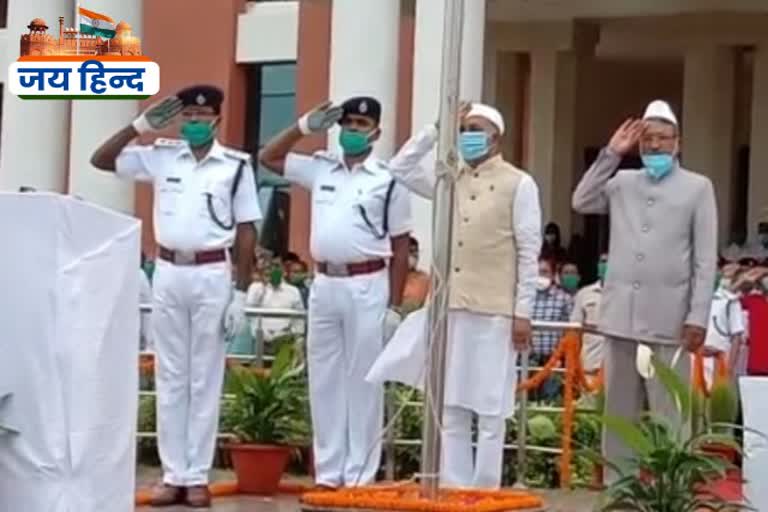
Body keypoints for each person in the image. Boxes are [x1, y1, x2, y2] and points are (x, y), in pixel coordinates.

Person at [91, 85, 261, 507]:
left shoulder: (235, 166)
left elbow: (246, 229)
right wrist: (141, 125)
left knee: (204, 379)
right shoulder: (163, 156)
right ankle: (172, 475)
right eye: (187, 117)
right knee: (171, 376)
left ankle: (197, 476)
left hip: (210, 273)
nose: (194, 124)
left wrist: (240, 292)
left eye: (202, 118)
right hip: (168, 270)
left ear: (217, 120)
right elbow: (101, 159)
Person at [372, 102, 541, 488]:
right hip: (451, 307)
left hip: (496, 310)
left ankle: (485, 491)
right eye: (463, 128)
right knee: (451, 404)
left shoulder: (520, 183)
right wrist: (436, 128)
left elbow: (529, 252)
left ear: (496, 136)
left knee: (491, 408)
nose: (468, 134)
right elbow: (400, 167)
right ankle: (454, 488)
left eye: (476, 127)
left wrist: (523, 312)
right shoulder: (450, 178)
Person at [258, 97, 412, 488]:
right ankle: (328, 472)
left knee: (363, 380)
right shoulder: (322, 167)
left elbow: (399, 246)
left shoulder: (389, 178)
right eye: (347, 123)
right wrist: (304, 126)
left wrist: (394, 305)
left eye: (361, 124)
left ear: (376, 132)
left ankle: (359, 475)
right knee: (323, 378)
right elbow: (268, 157)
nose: (352, 131)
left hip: (367, 282)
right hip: (324, 282)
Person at [572, 99, 717, 483]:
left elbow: (705, 261)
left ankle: (672, 494)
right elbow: (581, 200)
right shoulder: (622, 183)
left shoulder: (697, 188)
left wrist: (697, 317)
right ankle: (620, 493)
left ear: (678, 143)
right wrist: (610, 154)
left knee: (670, 417)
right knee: (619, 419)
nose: (654, 146)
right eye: (647, 139)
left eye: (663, 138)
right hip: (620, 319)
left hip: (669, 322)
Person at [531, 258, 574, 401]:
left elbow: (570, 330)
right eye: (537, 272)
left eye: (544, 272)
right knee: (527, 398)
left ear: (553, 274)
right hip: (528, 359)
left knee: (550, 400)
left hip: (554, 359)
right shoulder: (526, 297)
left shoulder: (564, 298)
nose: (540, 276)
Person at [701, 264, 745, 387]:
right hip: (697, 359)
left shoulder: (730, 301)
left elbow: (737, 336)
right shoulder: (696, 299)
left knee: (717, 402)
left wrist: (730, 367)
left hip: (720, 359)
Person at [246, 261, 305, 343]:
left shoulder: (293, 291)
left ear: (284, 272)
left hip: (285, 340)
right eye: (270, 268)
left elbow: (299, 319)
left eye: (277, 267)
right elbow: (249, 312)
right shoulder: (255, 288)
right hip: (259, 341)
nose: (274, 271)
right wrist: (263, 287)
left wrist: (298, 339)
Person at [571, 254, 608, 376]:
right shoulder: (584, 293)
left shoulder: (626, 295)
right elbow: (574, 329)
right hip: (590, 365)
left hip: (616, 367)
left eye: (609, 262)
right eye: (603, 261)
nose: (605, 265)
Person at [402, 236, 430, 312]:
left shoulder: (424, 279)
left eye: (416, 251)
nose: (415, 255)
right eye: (410, 251)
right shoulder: (389, 279)